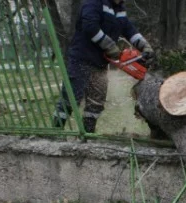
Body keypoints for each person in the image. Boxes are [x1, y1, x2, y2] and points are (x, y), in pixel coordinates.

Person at [53, 0, 155, 133]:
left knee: (96, 101)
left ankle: (88, 135)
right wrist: (109, 46)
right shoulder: (94, 2)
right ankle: (56, 132)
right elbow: (90, 26)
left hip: (100, 63)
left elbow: (128, 28)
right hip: (81, 59)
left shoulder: (118, 8)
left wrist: (144, 45)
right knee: (71, 97)